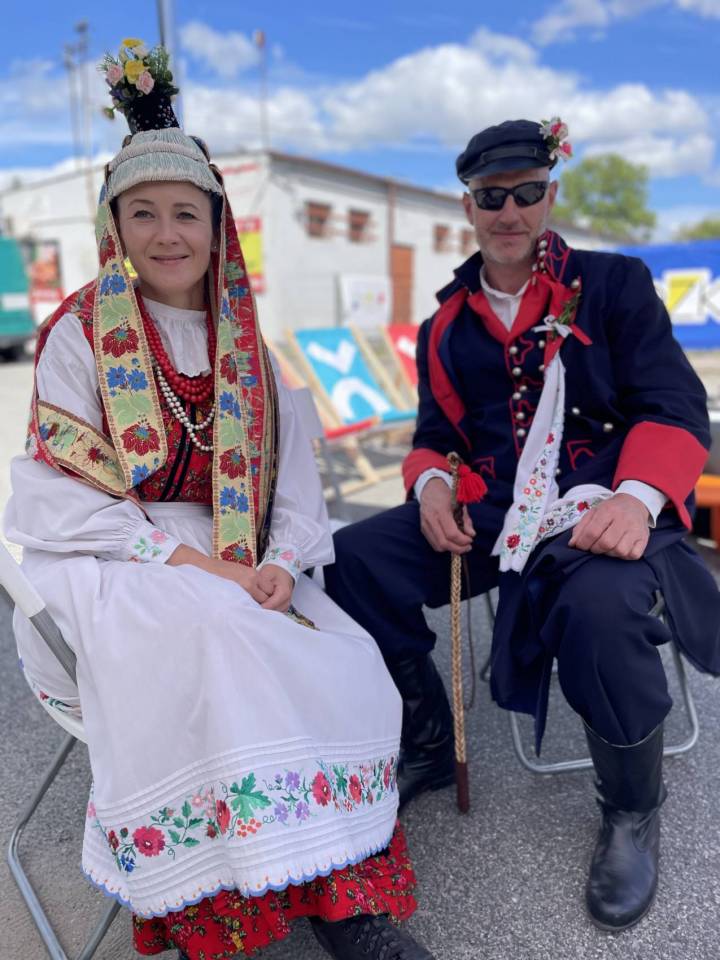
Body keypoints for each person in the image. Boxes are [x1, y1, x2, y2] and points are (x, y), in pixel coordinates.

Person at [4, 40, 435, 960]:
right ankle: (226, 908)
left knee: (345, 653)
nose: (167, 235)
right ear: (114, 226)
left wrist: (278, 560)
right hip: (112, 552)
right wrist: (201, 567)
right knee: (220, 633)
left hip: (235, 549)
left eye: (185, 214)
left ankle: (340, 895)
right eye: (144, 213)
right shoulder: (79, 332)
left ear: (217, 226)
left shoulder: (246, 344)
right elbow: (59, 491)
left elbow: (297, 482)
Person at [325, 117, 720, 932]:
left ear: (550, 194)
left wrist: (636, 498)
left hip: (600, 504)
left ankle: (631, 809)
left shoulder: (614, 284)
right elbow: (433, 435)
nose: (509, 211)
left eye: (527, 192)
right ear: (468, 205)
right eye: (491, 196)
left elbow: (675, 405)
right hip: (494, 512)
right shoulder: (444, 324)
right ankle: (428, 739)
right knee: (346, 562)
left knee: (601, 607)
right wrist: (432, 486)